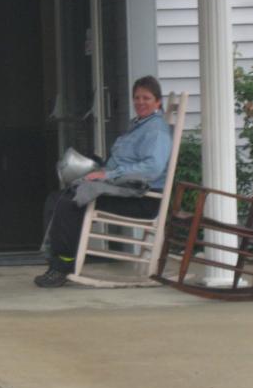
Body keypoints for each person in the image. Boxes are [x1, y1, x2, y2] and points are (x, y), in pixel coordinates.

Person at [35, 75, 173, 288]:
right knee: (58, 198)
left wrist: (107, 176)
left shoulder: (156, 130)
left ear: (158, 102)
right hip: (126, 191)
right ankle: (55, 260)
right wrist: (99, 169)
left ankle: (62, 267)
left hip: (142, 199)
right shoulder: (139, 125)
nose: (140, 102)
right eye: (137, 97)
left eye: (146, 98)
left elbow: (152, 169)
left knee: (71, 203)